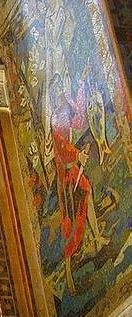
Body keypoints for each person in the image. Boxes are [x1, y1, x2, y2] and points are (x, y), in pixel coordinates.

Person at [49, 73, 109, 294]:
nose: (61, 94)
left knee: (87, 192)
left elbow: (79, 121)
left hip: (72, 169)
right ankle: (67, 269)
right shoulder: (55, 119)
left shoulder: (64, 112)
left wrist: (82, 84)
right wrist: (77, 156)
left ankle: (96, 236)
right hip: (66, 175)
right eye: (58, 91)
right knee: (71, 220)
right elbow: (61, 148)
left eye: (61, 90)